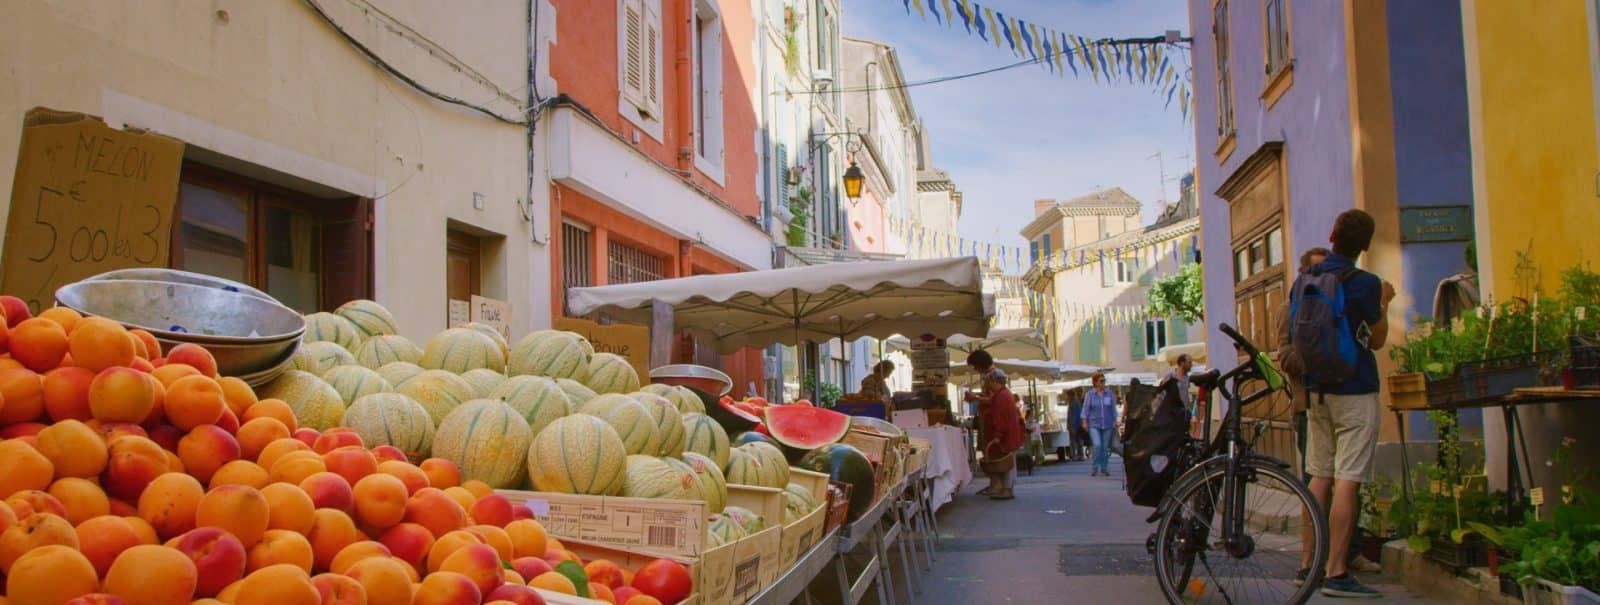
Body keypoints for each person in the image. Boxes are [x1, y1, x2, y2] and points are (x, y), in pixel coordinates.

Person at [1294, 210, 1395, 598]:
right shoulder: (1366, 283)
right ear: (1365, 245)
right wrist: (1384, 303)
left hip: (1317, 390)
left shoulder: (1305, 280)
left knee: (1318, 477)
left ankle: (1307, 563)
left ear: (1332, 234)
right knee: (1347, 480)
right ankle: (1336, 570)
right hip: (1355, 389)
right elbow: (1378, 340)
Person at [977, 367, 1023, 500]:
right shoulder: (1004, 394)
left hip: (1005, 436)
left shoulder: (1001, 396)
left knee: (1005, 463)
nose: (987, 384)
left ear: (994, 381)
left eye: (989, 381)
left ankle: (1007, 489)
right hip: (1009, 434)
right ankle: (1007, 488)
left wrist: (998, 436)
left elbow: (1001, 418)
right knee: (1008, 462)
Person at [1082, 372, 1119, 477]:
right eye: (1101, 381)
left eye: (1104, 381)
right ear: (1095, 383)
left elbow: (1113, 408)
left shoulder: (1109, 394)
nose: (1103, 383)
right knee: (1097, 445)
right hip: (1094, 424)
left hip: (1107, 424)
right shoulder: (1090, 394)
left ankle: (1104, 467)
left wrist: (1115, 420)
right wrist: (1084, 421)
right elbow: (1085, 409)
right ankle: (1095, 466)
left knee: (1105, 447)